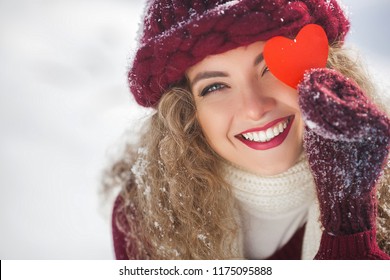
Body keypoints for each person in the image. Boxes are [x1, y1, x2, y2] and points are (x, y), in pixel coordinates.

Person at [106, 0, 390, 260]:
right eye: (215, 86)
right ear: (186, 114)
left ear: (325, 70)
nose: (254, 108)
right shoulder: (146, 216)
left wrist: (349, 222)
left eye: (271, 68)